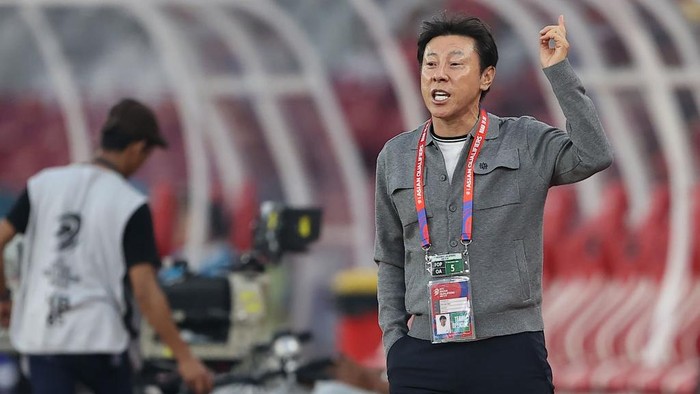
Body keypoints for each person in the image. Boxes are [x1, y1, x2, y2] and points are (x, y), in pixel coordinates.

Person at [374, 13, 613, 393]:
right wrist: (395, 343)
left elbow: (594, 154)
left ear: (486, 76)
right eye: (430, 64)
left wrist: (559, 72)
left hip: (509, 353)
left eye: (455, 63)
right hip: (421, 356)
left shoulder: (524, 139)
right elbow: (389, 256)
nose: (439, 74)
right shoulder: (396, 155)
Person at [0, 98, 214, 394]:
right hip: (97, 340)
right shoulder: (130, 204)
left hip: (43, 337)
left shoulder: (42, 185)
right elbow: (145, 289)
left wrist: (3, 296)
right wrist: (185, 357)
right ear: (138, 148)